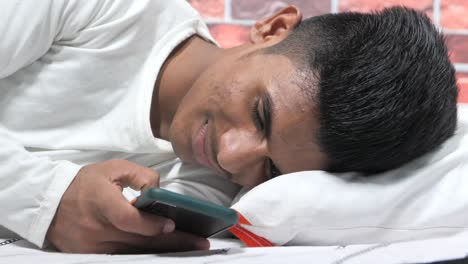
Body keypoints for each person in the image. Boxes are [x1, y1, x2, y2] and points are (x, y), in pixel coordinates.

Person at [0, 0, 458, 254]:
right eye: (261, 112)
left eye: (271, 169)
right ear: (272, 27)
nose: (233, 158)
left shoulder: (205, 199)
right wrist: (45, 199)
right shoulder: (109, 9)